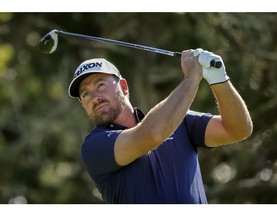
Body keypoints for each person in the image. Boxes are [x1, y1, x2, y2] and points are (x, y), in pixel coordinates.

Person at [68, 49, 253, 204]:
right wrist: (191, 78)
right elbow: (152, 135)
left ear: (124, 87)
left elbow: (238, 129)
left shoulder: (180, 120)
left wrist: (220, 81)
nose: (95, 97)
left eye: (100, 85)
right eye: (85, 94)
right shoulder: (94, 146)